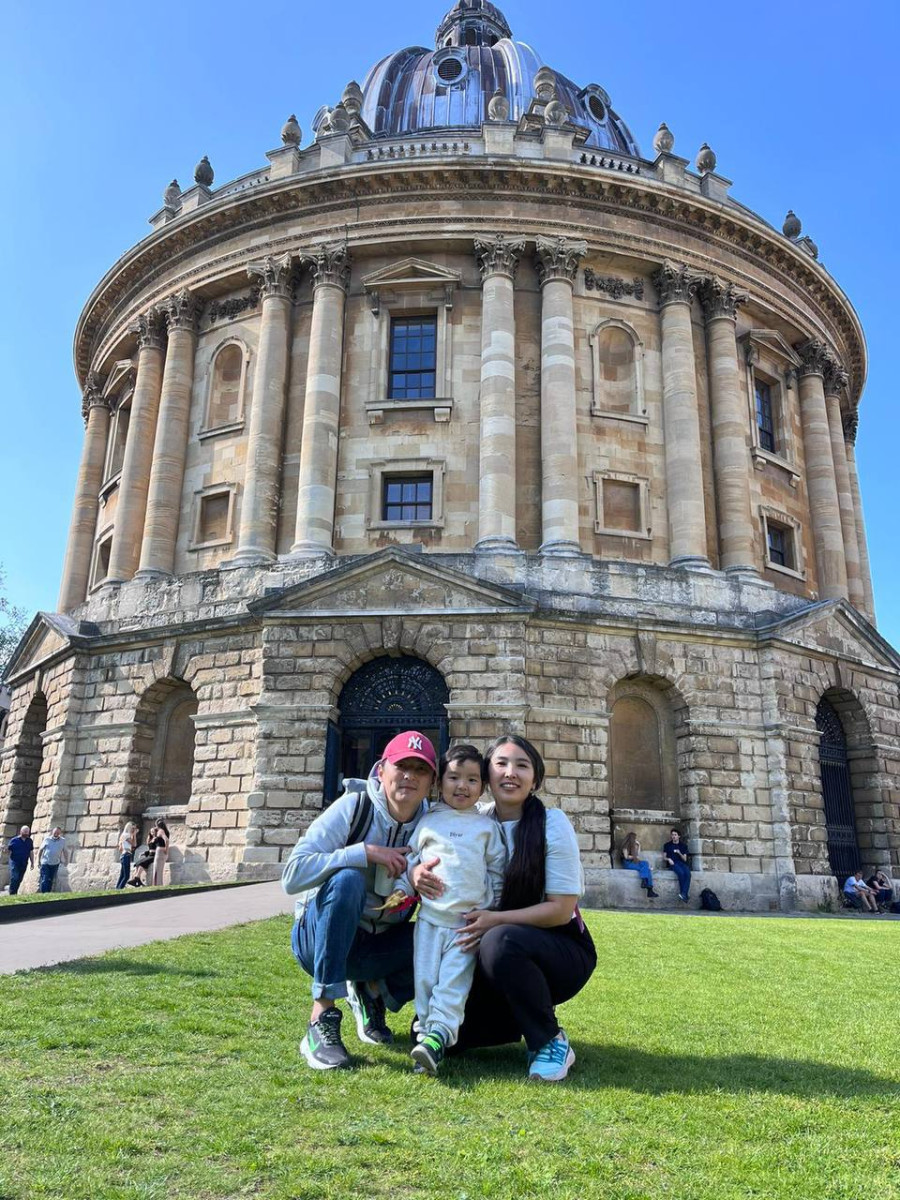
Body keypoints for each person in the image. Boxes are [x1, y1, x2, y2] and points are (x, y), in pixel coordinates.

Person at [436, 735, 597, 1083]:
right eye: (501, 764)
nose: (511, 773)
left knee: (501, 940)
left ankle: (549, 1040)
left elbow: (561, 910)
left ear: (535, 780)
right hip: (491, 952)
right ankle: (514, 1018)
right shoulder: (475, 820)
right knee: (441, 1036)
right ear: (486, 776)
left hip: (558, 949)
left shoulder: (552, 823)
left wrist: (495, 920)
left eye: (522, 765)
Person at [282, 730, 437, 1071]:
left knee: (443, 937)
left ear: (431, 782)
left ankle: (373, 991)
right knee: (348, 879)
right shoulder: (354, 806)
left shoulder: (434, 824)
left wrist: (414, 877)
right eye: (401, 766)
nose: (410, 776)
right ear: (381, 770)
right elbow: (292, 875)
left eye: (420, 769)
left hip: (378, 943)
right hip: (318, 942)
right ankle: (321, 1015)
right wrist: (362, 853)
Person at [394, 744, 506, 1075]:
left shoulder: (487, 827)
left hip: (466, 926)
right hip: (429, 921)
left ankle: (438, 1036)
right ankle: (427, 1038)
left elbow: (497, 872)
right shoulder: (428, 820)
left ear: (482, 787)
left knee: (452, 984)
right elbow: (410, 860)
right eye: (454, 777)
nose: (462, 786)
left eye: (472, 780)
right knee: (425, 981)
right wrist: (405, 886)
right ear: (439, 781)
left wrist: (492, 911)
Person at [621, 832, 659, 898]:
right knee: (647, 870)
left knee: (645, 863)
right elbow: (626, 857)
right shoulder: (625, 847)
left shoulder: (633, 846)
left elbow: (637, 854)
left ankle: (645, 883)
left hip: (633, 862)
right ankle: (649, 890)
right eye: (635, 838)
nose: (636, 840)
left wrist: (639, 845)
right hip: (627, 864)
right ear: (631, 839)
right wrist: (634, 857)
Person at [662, 828, 691, 902]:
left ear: (679, 836)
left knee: (688, 874)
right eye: (672, 835)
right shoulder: (667, 845)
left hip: (682, 863)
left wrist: (679, 853)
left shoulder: (683, 846)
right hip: (673, 863)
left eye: (675, 835)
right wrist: (668, 859)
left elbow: (685, 859)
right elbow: (664, 857)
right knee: (681, 873)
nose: (673, 836)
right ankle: (684, 894)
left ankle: (683, 894)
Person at [38, 827, 68, 893]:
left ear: (60, 833)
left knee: (50, 879)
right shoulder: (47, 839)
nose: (56, 833)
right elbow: (40, 850)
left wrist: (66, 860)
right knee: (45, 879)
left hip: (55, 863)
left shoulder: (63, 841)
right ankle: (44, 894)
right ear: (52, 832)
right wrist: (38, 861)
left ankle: (48, 893)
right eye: (55, 832)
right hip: (45, 862)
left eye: (58, 832)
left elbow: (65, 851)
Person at [6, 825, 34, 895]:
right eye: (25, 832)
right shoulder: (14, 840)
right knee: (14, 877)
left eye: (27, 832)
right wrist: (4, 850)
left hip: (24, 863)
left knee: (19, 879)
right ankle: (12, 894)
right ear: (21, 831)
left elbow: (31, 852)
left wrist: (32, 862)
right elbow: (8, 850)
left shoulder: (30, 841)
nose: (26, 833)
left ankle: (15, 892)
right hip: (14, 862)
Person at [116, 822, 138, 890]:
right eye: (133, 828)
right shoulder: (127, 835)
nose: (133, 830)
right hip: (126, 855)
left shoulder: (123, 835)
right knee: (126, 876)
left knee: (122, 875)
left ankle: (117, 889)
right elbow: (134, 844)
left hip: (123, 855)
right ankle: (120, 889)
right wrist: (134, 835)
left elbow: (120, 848)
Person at [149, 819, 170, 887]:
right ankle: (159, 884)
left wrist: (166, 851)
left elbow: (166, 840)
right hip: (162, 851)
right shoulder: (166, 831)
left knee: (156, 869)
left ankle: (156, 885)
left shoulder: (161, 831)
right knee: (160, 869)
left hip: (160, 851)